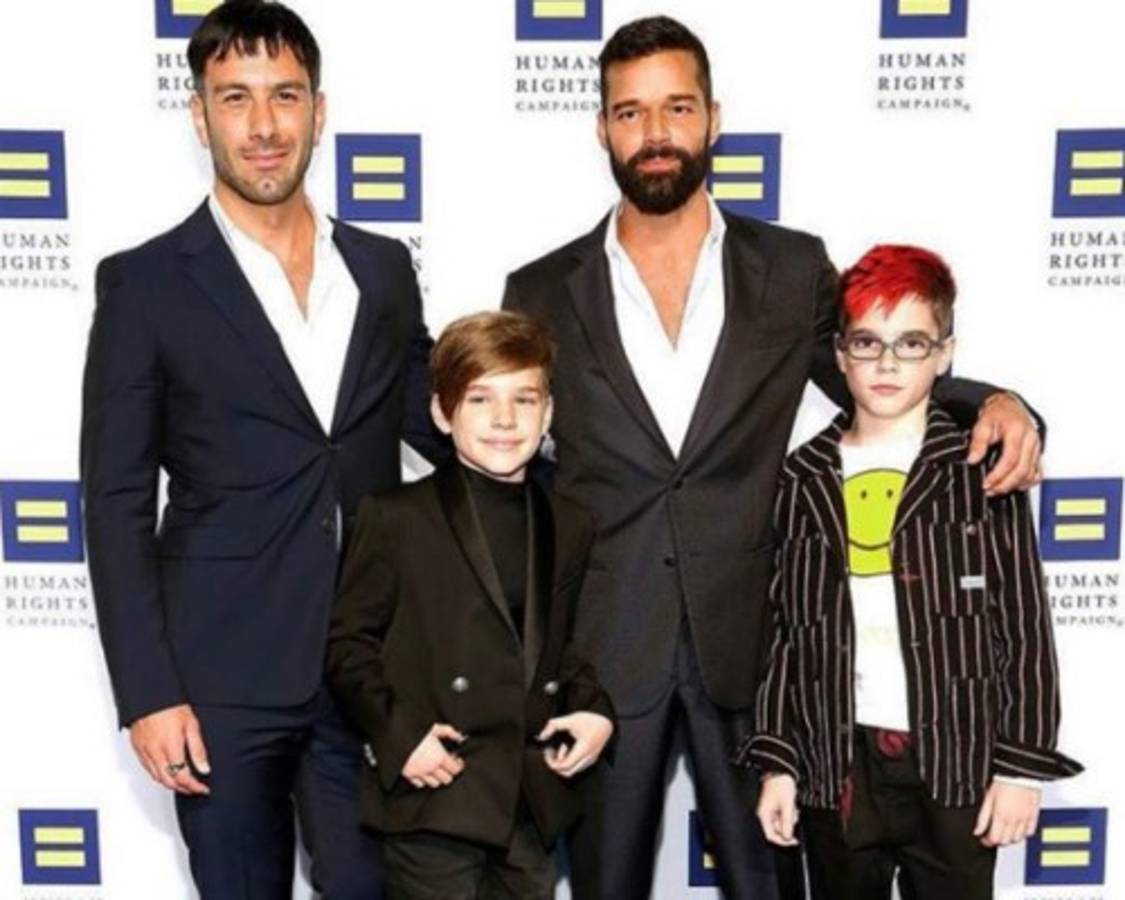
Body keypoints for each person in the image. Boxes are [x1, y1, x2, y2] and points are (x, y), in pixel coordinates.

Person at [502, 15, 1046, 899]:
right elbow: (497, 440)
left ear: (713, 119)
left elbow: (876, 368)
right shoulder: (538, 291)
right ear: (601, 128)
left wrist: (997, 402)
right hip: (605, 655)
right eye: (630, 112)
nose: (655, 132)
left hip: (756, 653)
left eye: (677, 107)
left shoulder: (788, 269)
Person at [80, 2, 443, 896]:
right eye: (235, 98)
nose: (265, 125)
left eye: (285, 95)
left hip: (367, 667)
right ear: (199, 116)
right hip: (219, 677)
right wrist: (148, 693)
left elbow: (433, 420)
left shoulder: (382, 269)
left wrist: (570, 459)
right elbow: (116, 502)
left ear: (319, 110)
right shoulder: (145, 284)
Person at [745, 245, 1081, 898]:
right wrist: (779, 763)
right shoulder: (801, 478)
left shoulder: (979, 469)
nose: (887, 363)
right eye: (867, 343)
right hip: (836, 761)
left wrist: (1020, 768)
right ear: (839, 354)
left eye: (911, 344)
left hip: (956, 760)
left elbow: (1023, 625)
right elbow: (784, 634)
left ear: (944, 354)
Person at [326, 311, 615, 900]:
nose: (504, 420)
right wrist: (400, 736)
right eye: (480, 399)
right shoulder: (396, 516)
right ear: (441, 411)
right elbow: (348, 646)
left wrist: (594, 710)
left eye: (524, 399)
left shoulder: (569, 523)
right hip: (436, 792)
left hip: (528, 801)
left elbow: (563, 647)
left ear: (548, 413)